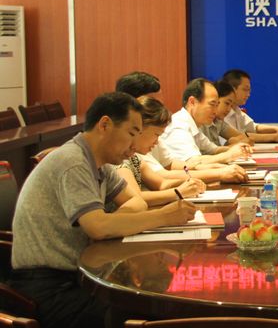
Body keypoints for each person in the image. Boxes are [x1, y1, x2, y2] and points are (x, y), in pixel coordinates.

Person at [9, 92, 196, 328]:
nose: (133, 145)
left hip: (79, 276)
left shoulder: (100, 164)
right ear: (105, 124)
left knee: (152, 306)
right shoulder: (73, 161)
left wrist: (110, 223)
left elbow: (136, 202)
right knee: (146, 313)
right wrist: (163, 216)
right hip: (48, 286)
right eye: (131, 133)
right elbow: (97, 228)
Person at [114, 96, 206, 208]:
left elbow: (162, 183)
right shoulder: (117, 159)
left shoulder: (134, 157)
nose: (157, 142)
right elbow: (135, 198)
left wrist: (189, 182)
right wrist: (178, 192)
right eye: (156, 135)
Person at [158, 78, 252, 170]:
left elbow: (213, 150)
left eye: (217, 105)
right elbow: (192, 163)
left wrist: (237, 149)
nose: (215, 111)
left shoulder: (194, 124)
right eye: (212, 104)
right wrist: (229, 155)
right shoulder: (179, 126)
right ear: (192, 102)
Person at [222, 69, 278, 143]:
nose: (248, 94)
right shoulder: (223, 114)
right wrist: (275, 136)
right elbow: (239, 137)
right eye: (245, 89)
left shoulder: (237, 110)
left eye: (249, 90)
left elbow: (253, 127)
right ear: (232, 89)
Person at [200, 80, 254, 146]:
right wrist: (229, 144)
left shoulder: (219, 122)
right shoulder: (201, 123)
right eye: (227, 103)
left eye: (231, 106)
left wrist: (231, 143)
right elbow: (209, 151)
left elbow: (245, 139)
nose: (229, 109)